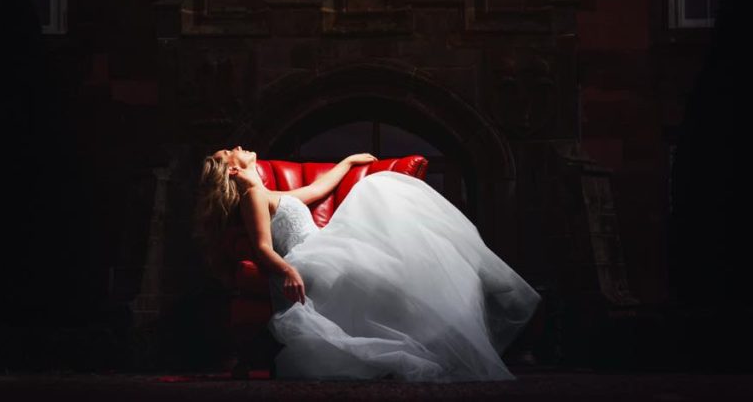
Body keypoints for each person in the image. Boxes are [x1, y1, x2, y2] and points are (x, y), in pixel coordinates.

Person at [194, 146, 541, 381]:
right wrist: (287, 271)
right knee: (379, 197)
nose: (238, 146)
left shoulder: (266, 194)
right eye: (230, 151)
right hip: (311, 259)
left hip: (324, 249)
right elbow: (261, 248)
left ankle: (454, 319)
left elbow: (315, 192)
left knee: (386, 210)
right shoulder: (253, 195)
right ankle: (474, 307)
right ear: (234, 169)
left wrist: (347, 162)